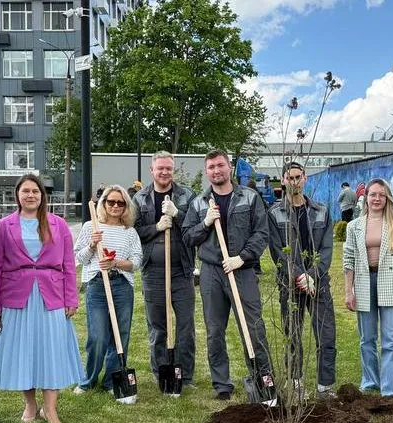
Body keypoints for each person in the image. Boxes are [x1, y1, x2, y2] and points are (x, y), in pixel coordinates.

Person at [0, 174, 82, 423]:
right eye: (25, 191)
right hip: (15, 296)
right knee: (23, 351)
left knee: (52, 349)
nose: (31, 195)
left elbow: (69, 264)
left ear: (43, 196)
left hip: (51, 295)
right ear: (18, 195)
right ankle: (30, 405)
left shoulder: (59, 225)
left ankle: (49, 409)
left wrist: (71, 297)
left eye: (35, 191)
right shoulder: (3, 227)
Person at [183, 149, 274, 401]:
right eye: (211, 167)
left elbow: (261, 233)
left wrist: (242, 257)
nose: (216, 170)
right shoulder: (199, 203)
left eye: (220, 165)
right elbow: (188, 236)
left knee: (253, 328)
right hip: (212, 271)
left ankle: (262, 379)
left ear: (229, 167)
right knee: (214, 330)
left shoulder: (250, 197)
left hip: (241, 270)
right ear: (207, 171)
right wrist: (205, 223)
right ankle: (221, 384)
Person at [267, 161, 337, 400]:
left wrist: (313, 275)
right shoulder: (274, 214)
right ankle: (295, 384)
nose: (295, 182)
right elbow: (278, 251)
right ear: (283, 180)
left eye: (298, 177)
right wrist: (299, 275)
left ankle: (325, 386)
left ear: (305, 179)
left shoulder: (321, 211)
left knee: (326, 335)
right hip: (290, 284)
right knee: (292, 335)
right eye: (290, 178)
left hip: (319, 283)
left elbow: (327, 248)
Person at [342, 179, 393, 399]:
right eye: (373, 194)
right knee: (367, 337)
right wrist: (348, 291)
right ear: (366, 198)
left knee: (392, 338)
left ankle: (391, 389)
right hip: (364, 283)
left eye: (381, 195)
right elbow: (349, 259)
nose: (377, 199)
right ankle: (370, 381)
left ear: (387, 198)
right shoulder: (355, 225)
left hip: (390, 281)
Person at [132, 151, 197, 386]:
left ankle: (185, 375)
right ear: (152, 170)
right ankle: (161, 373)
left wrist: (177, 215)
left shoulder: (187, 195)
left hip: (181, 270)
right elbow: (133, 233)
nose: (164, 172)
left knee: (186, 326)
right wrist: (157, 226)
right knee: (158, 326)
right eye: (160, 168)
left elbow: (195, 228)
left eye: (168, 168)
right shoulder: (140, 199)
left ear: (173, 170)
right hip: (153, 272)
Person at [73, 186, 143, 392]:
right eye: (110, 202)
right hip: (97, 285)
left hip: (122, 285)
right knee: (98, 336)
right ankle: (89, 380)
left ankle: (112, 381)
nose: (115, 206)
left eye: (120, 203)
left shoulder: (130, 232)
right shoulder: (90, 227)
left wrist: (116, 264)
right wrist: (93, 245)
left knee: (120, 335)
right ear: (103, 203)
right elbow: (79, 258)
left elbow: (137, 261)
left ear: (126, 207)